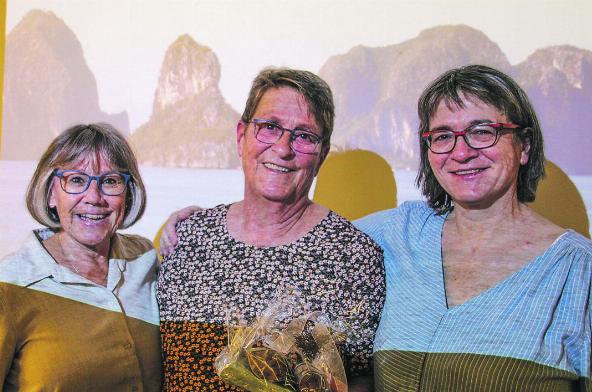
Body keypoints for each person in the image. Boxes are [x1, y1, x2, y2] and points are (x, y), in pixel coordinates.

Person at [161, 65, 592, 391]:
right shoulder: (402, 233)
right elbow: (289, 230)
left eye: (482, 132)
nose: (461, 152)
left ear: (525, 146)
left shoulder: (577, 270)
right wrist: (195, 220)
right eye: (443, 136)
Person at [157, 67, 385, 391]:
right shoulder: (189, 238)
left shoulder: (352, 257)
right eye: (269, 127)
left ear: (322, 156)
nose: (283, 148)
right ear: (241, 136)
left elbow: (364, 378)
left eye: (304, 136)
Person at [0, 124, 161, 391]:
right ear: (51, 193)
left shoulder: (144, 261)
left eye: (110, 181)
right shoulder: (4, 291)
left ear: (128, 194)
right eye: (76, 180)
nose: (94, 198)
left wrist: (183, 225)